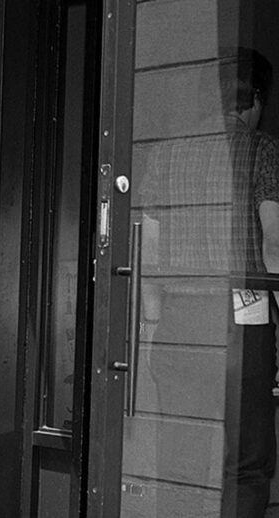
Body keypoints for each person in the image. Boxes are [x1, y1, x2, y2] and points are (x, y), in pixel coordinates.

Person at [140, 48, 279, 517]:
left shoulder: (168, 153)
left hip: (178, 322)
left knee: (179, 459)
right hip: (241, 320)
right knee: (245, 463)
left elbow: (150, 248)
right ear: (255, 98)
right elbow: (275, 246)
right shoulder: (261, 150)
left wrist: (152, 320)